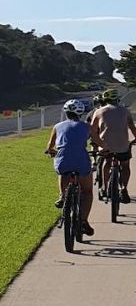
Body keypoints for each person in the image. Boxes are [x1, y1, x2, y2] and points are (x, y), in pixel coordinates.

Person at [45, 99, 104, 237]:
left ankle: (62, 195)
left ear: (66, 112)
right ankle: (83, 220)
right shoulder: (87, 127)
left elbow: (50, 146)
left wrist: (51, 151)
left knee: (63, 172)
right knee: (87, 191)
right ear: (81, 113)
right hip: (81, 160)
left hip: (63, 160)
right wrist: (105, 149)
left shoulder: (57, 126)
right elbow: (97, 141)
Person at [90, 88, 136, 203]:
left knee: (107, 162)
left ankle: (104, 186)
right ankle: (124, 188)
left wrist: (98, 143)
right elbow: (132, 126)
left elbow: (92, 130)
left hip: (105, 145)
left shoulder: (98, 112)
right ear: (117, 99)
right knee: (125, 165)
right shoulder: (125, 111)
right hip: (122, 145)